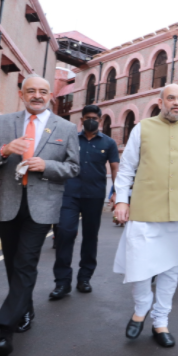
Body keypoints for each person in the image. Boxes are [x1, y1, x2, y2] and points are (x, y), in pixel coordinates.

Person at [0, 75, 80, 356]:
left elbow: (73, 168)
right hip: (7, 203)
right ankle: (25, 309)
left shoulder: (66, 128)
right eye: (31, 91)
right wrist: (5, 150)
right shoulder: (3, 122)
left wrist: (47, 165)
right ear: (21, 94)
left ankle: (4, 331)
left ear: (50, 97)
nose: (37, 95)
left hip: (42, 205)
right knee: (14, 265)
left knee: (25, 263)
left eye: (43, 92)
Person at [112, 84, 178, 349]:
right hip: (145, 209)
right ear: (161, 101)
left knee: (171, 269)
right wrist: (122, 200)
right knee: (139, 264)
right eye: (171, 98)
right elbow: (126, 168)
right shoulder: (143, 128)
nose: (177, 103)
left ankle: (160, 320)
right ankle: (142, 306)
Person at [50, 105, 119, 299]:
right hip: (68, 194)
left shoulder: (109, 143)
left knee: (90, 237)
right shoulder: (70, 139)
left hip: (94, 196)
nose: (91, 121)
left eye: (95, 118)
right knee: (65, 232)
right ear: (81, 120)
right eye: (88, 118)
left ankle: (84, 278)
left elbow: (115, 169)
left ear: (100, 120)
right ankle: (62, 283)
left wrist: (117, 194)